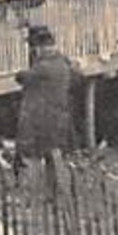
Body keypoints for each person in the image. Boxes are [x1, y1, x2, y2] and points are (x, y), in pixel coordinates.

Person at [15, 25, 80, 160]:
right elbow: (77, 78)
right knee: (58, 154)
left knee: (44, 155)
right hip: (62, 112)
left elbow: (21, 77)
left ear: (40, 48)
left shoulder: (43, 67)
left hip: (46, 118)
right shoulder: (63, 61)